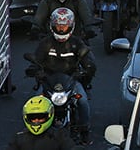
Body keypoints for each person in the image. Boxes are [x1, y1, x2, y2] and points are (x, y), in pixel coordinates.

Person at [31, 8, 97, 144]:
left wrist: (87, 69)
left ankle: (85, 131)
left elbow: (87, 59)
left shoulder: (77, 43)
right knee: (34, 103)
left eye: (64, 26)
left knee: (82, 101)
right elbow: (36, 59)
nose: (61, 30)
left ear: (71, 26)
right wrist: (34, 70)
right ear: (52, 26)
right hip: (48, 81)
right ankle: (32, 134)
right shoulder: (46, 43)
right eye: (59, 26)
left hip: (71, 81)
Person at [8, 96, 76, 150]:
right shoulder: (19, 138)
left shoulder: (59, 136)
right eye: (32, 118)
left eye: (40, 117)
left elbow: (71, 147)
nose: (36, 120)